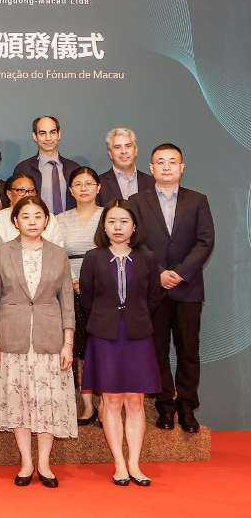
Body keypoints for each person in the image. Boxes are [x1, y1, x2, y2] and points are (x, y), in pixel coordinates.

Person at [0, 196, 78, 488]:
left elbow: (67, 302)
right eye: (25, 216)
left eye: (38, 216)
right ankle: (26, 461)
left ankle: (45, 463)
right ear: (15, 221)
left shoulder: (58, 254)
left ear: (46, 220)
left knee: (49, 401)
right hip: (11, 336)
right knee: (19, 400)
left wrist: (68, 342)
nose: (32, 222)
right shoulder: (3, 252)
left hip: (50, 337)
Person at [128, 144, 214, 433]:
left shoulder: (198, 200)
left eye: (172, 162)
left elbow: (205, 241)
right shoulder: (136, 201)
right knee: (157, 350)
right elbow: (135, 242)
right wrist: (159, 273)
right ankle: (165, 406)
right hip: (154, 288)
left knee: (188, 350)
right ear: (151, 168)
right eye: (160, 162)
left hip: (188, 288)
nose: (166, 167)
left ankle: (187, 408)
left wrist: (180, 273)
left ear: (182, 167)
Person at [80, 200, 164, 486]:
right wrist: (107, 318)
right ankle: (119, 464)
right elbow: (87, 298)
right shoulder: (93, 257)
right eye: (112, 221)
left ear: (134, 226)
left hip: (137, 335)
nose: (118, 227)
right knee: (112, 400)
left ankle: (135, 464)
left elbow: (153, 297)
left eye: (124, 221)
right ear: (104, 226)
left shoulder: (147, 257)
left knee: (135, 401)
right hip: (105, 336)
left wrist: (134, 316)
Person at [56, 167, 104, 426]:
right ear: (71, 190)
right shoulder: (60, 220)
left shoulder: (109, 215)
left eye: (89, 183)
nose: (84, 188)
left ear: (98, 188)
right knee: (79, 347)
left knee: (102, 348)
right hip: (70, 289)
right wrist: (74, 282)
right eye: (78, 184)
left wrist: (90, 283)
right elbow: (56, 255)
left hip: (104, 291)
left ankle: (105, 403)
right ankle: (86, 405)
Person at [12, 116, 83, 215]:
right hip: (36, 223)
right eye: (42, 133)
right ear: (35, 136)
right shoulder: (23, 169)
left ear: (59, 134)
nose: (48, 138)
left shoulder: (74, 168)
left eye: (52, 132)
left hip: (70, 222)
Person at [0, 174, 65, 246]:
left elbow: (58, 249)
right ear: (9, 194)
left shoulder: (49, 217)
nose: (27, 195)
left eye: (31, 191)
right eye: (21, 191)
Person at [97, 128, 155, 205]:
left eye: (128, 146)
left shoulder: (152, 182)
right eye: (117, 147)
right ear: (110, 153)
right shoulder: (99, 184)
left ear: (135, 150)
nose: (124, 151)